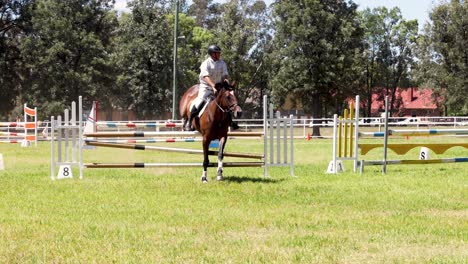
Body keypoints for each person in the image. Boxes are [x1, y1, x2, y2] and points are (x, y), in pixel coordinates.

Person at [185, 45, 229, 131]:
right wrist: (213, 86)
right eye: (217, 53)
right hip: (206, 87)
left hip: (218, 86)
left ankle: (230, 122)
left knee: (227, 102)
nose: (219, 54)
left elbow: (225, 75)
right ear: (212, 54)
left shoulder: (222, 63)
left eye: (219, 53)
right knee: (199, 102)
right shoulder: (206, 63)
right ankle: (189, 122)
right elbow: (205, 76)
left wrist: (226, 81)